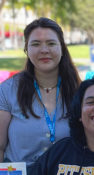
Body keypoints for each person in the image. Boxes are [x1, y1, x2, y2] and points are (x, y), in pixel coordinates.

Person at [0, 17, 81, 165]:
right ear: (27, 49)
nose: (44, 50)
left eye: (51, 43)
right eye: (36, 44)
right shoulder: (7, 90)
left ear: (62, 48)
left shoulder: (80, 92)